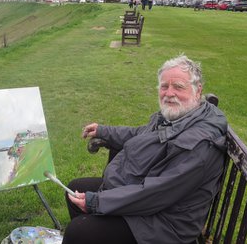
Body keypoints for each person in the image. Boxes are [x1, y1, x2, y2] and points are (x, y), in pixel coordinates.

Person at [63, 55, 227, 244]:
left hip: (167, 224)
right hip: (149, 195)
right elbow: (141, 133)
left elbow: (157, 193)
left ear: (198, 91)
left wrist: (97, 202)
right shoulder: (181, 116)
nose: (169, 93)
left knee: (79, 231)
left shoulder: (198, 145)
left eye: (178, 87)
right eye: (164, 86)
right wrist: (103, 130)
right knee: (74, 189)